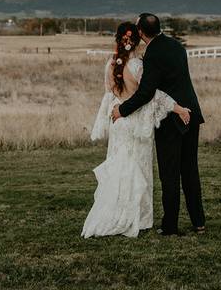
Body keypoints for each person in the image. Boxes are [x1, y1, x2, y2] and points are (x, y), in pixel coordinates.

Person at [82, 21, 192, 238]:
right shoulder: (137, 66)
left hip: (118, 123)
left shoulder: (110, 64)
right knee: (138, 170)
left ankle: (114, 211)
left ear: (119, 39)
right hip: (134, 125)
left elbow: (108, 97)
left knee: (120, 167)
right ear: (135, 41)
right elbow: (151, 95)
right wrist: (178, 108)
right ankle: (139, 218)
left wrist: (110, 116)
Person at [112, 13, 206, 236]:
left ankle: (170, 226)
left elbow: (146, 92)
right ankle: (199, 222)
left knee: (170, 173)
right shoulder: (176, 46)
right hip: (192, 113)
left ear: (141, 32)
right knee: (190, 170)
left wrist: (121, 110)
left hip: (170, 118)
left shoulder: (152, 53)